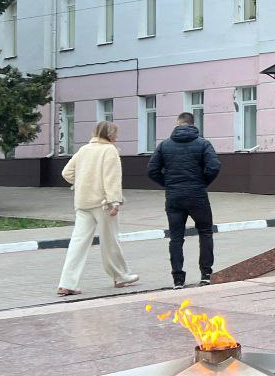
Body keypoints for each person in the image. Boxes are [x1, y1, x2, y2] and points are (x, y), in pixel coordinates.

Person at [56, 121, 138, 296]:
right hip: (103, 204)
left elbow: (66, 173)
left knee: (77, 243)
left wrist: (82, 183)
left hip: (82, 203)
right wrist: (114, 201)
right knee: (110, 242)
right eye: (115, 134)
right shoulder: (109, 150)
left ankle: (67, 283)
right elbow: (111, 178)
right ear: (109, 135)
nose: (117, 137)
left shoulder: (84, 150)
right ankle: (121, 276)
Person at [147, 112, 221, 288]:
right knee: (205, 232)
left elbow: (152, 170)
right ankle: (205, 274)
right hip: (197, 196)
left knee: (176, 238)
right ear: (193, 124)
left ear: (177, 124)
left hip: (174, 197)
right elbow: (214, 166)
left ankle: (178, 279)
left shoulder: (164, 145)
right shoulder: (203, 143)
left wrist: (168, 184)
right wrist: (203, 182)